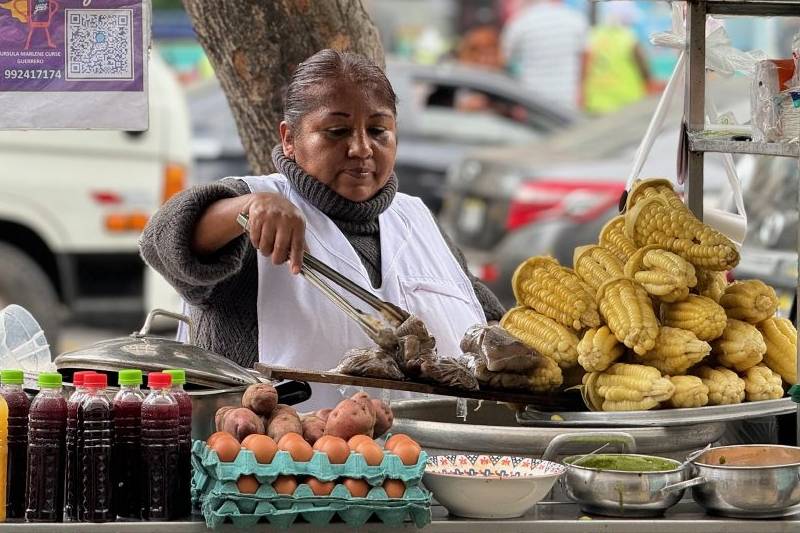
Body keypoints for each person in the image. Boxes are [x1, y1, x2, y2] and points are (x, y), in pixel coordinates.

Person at [139, 49, 505, 408]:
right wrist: (249, 208)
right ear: (289, 138)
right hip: (275, 461)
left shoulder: (418, 219)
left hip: (433, 459)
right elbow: (163, 240)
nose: (361, 148)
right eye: (336, 131)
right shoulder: (256, 203)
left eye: (378, 130)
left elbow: (493, 325)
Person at [501, 0, 588, 112]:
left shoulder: (520, 22)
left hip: (532, 100)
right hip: (567, 98)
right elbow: (586, 56)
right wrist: (581, 92)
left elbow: (504, 59)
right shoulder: (575, 19)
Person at [582, 2, 651, 115]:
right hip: (627, 104)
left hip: (596, 104)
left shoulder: (592, 35)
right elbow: (645, 71)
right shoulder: (629, 38)